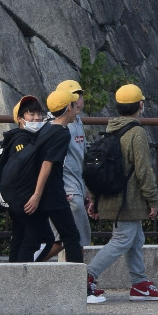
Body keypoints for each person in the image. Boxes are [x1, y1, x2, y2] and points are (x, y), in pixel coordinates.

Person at [86, 83, 158, 300]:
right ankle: (87, 276)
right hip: (129, 201)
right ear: (140, 105)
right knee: (122, 239)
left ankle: (139, 283)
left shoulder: (111, 128)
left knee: (135, 239)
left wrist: (94, 199)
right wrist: (153, 199)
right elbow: (143, 170)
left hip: (112, 196)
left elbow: (99, 167)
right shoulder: (136, 132)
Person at [5, 95, 77, 267]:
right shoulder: (28, 138)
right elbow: (46, 164)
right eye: (31, 114)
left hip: (28, 194)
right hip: (38, 195)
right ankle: (78, 286)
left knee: (27, 237)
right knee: (64, 237)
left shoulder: (41, 133)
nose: (36, 118)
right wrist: (37, 194)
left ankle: (17, 277)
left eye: (38, 113)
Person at [51, 81, 93, 258]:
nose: (77, 100)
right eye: (72, 96)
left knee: (72, 238)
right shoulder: (57, 125)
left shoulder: (77, 121)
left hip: (77, 186)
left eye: (78, 95)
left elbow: (81, 156)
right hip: (67, 189)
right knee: (72, 237)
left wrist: (86, 188)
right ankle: (28, 263)